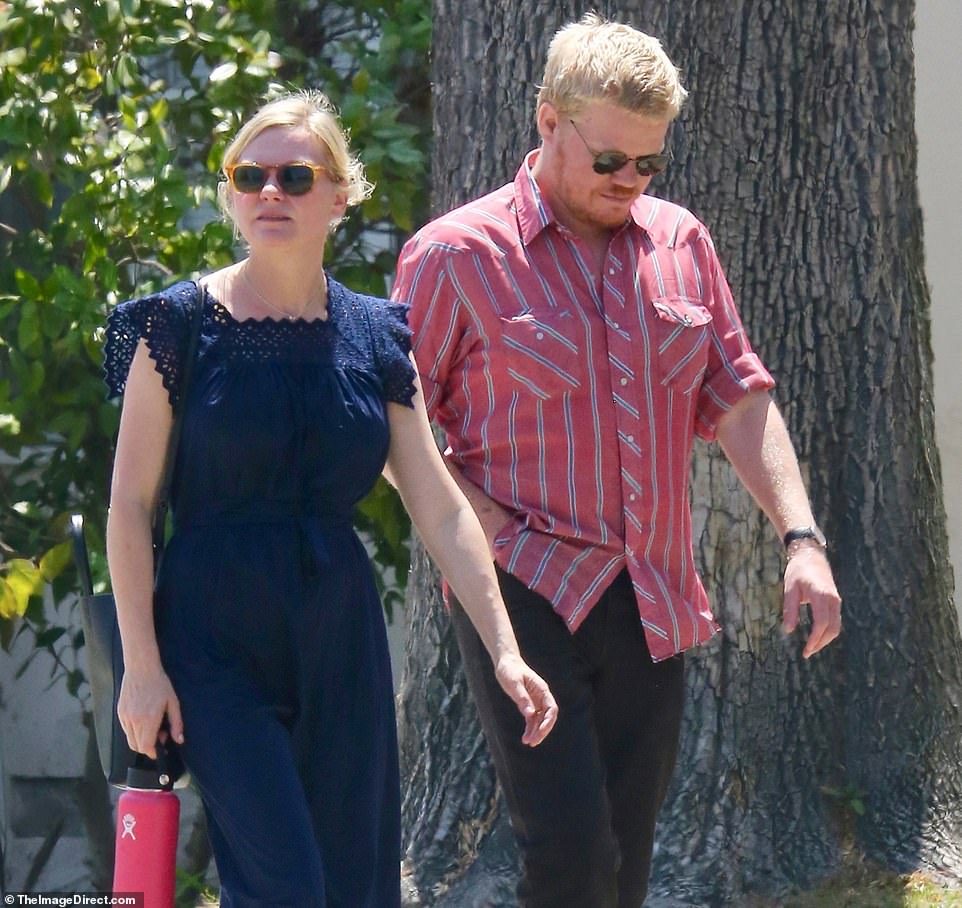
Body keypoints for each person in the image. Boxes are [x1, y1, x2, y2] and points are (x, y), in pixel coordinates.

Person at [392, 13, 842, 908]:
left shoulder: (680, 244)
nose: (630, 183)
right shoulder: (453, 257)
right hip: (521, 585)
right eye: (610, 162)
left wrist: (802, 538)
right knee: (568, 857)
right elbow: (387, 421)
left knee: (626, 863)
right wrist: (474, 519)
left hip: (652, 593)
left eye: (650, 164)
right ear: (549, 122)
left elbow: (740, 397)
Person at [103, 89, 557, 908]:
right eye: (250, 175)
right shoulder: (174, 327)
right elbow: (130, 506)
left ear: (340, 196)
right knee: (287, 887)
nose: (270, 191)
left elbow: (441, 504)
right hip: (210, 641)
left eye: (295, 176)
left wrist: (504, 646)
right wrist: (141, 669)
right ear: (232, 196)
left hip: (338, 641)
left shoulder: (376, 333)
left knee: (353, 888)